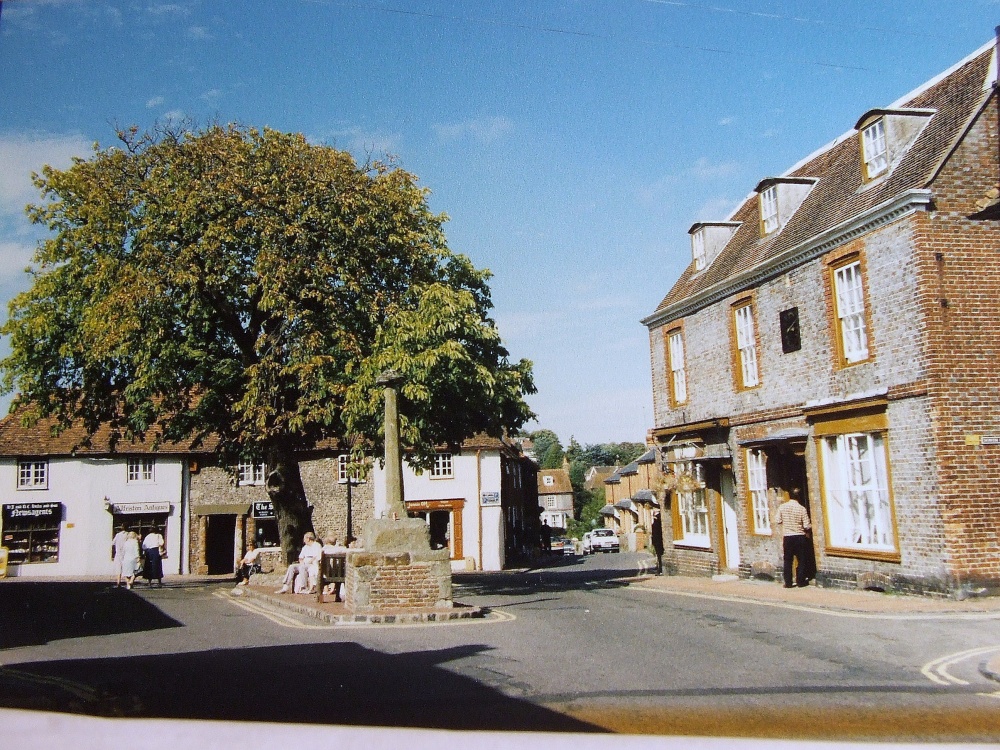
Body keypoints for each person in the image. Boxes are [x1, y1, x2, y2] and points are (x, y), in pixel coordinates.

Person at [776, 490, 812, 588]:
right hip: (799, 536)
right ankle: (800, 581)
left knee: (788, 560)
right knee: (801, 559)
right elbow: (806, 525)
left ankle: (788, 582)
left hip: (788, 537)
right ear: (798, 497)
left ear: (790, 496)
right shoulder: (801, 509)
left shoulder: (782, 507)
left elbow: (778, 520)